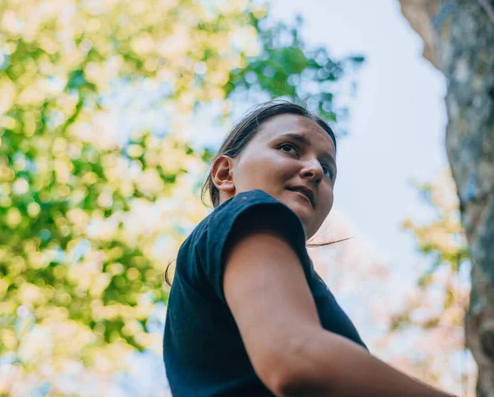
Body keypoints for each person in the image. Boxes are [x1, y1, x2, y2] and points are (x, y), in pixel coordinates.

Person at [162, 100, 455, 396]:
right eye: (289, 147)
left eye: (328, 170)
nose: (315, 169)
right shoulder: (252, 209)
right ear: (225, 173)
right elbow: (295, 356)